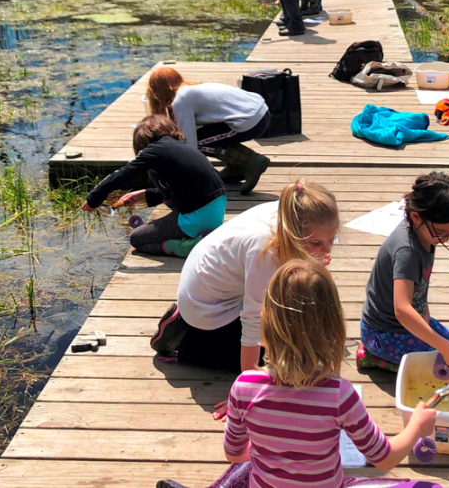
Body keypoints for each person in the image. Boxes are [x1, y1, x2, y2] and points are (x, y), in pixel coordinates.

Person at [219, 259, 441, 488]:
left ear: (267, 321)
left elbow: (234, 454)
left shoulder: (244, 387)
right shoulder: (339, 395)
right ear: (332, 327)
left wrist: (274, 452)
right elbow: (385, 458)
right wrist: (416, 426)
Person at [150, 181, 340, 413]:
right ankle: (184, 341)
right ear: (294, 232)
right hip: (207, 309)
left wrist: (312, 255)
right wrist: (246, 392)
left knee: (298, 336)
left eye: (331, 239)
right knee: (284, 361)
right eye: (317, 243)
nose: (327, 249)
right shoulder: (267, 250)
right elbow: (254, 319)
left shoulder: (294, 210)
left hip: (218, 283)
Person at [359, 172, 449, 373]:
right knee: (443, 368)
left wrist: (427, 321)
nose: (445, 239)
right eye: (441, 233)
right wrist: (444, 347)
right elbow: (402, 309)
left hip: (411, 323)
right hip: (382, 334)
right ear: (415, 216)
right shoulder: (407, 251)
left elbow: (419, 289)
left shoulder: (425, 231)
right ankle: (371, 356)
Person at [81, 115, 226, 258]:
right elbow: (179, 190)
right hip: (216, 211)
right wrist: (143, 194)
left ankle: (186, 247)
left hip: (196, 217)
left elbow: (122, 174)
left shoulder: (155, 150)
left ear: (142, 143)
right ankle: (197, 237)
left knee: (137, 238)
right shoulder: (181, 148)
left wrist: (94, 198)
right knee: (153, 231)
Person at [146, 67, 270, 195]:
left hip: (249, 119)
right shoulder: (190, 90)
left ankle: (250, 161)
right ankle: (236, 167)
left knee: (198, 144)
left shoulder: (180, 100)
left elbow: (190, 145)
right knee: (209, 136)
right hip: (260, 110)